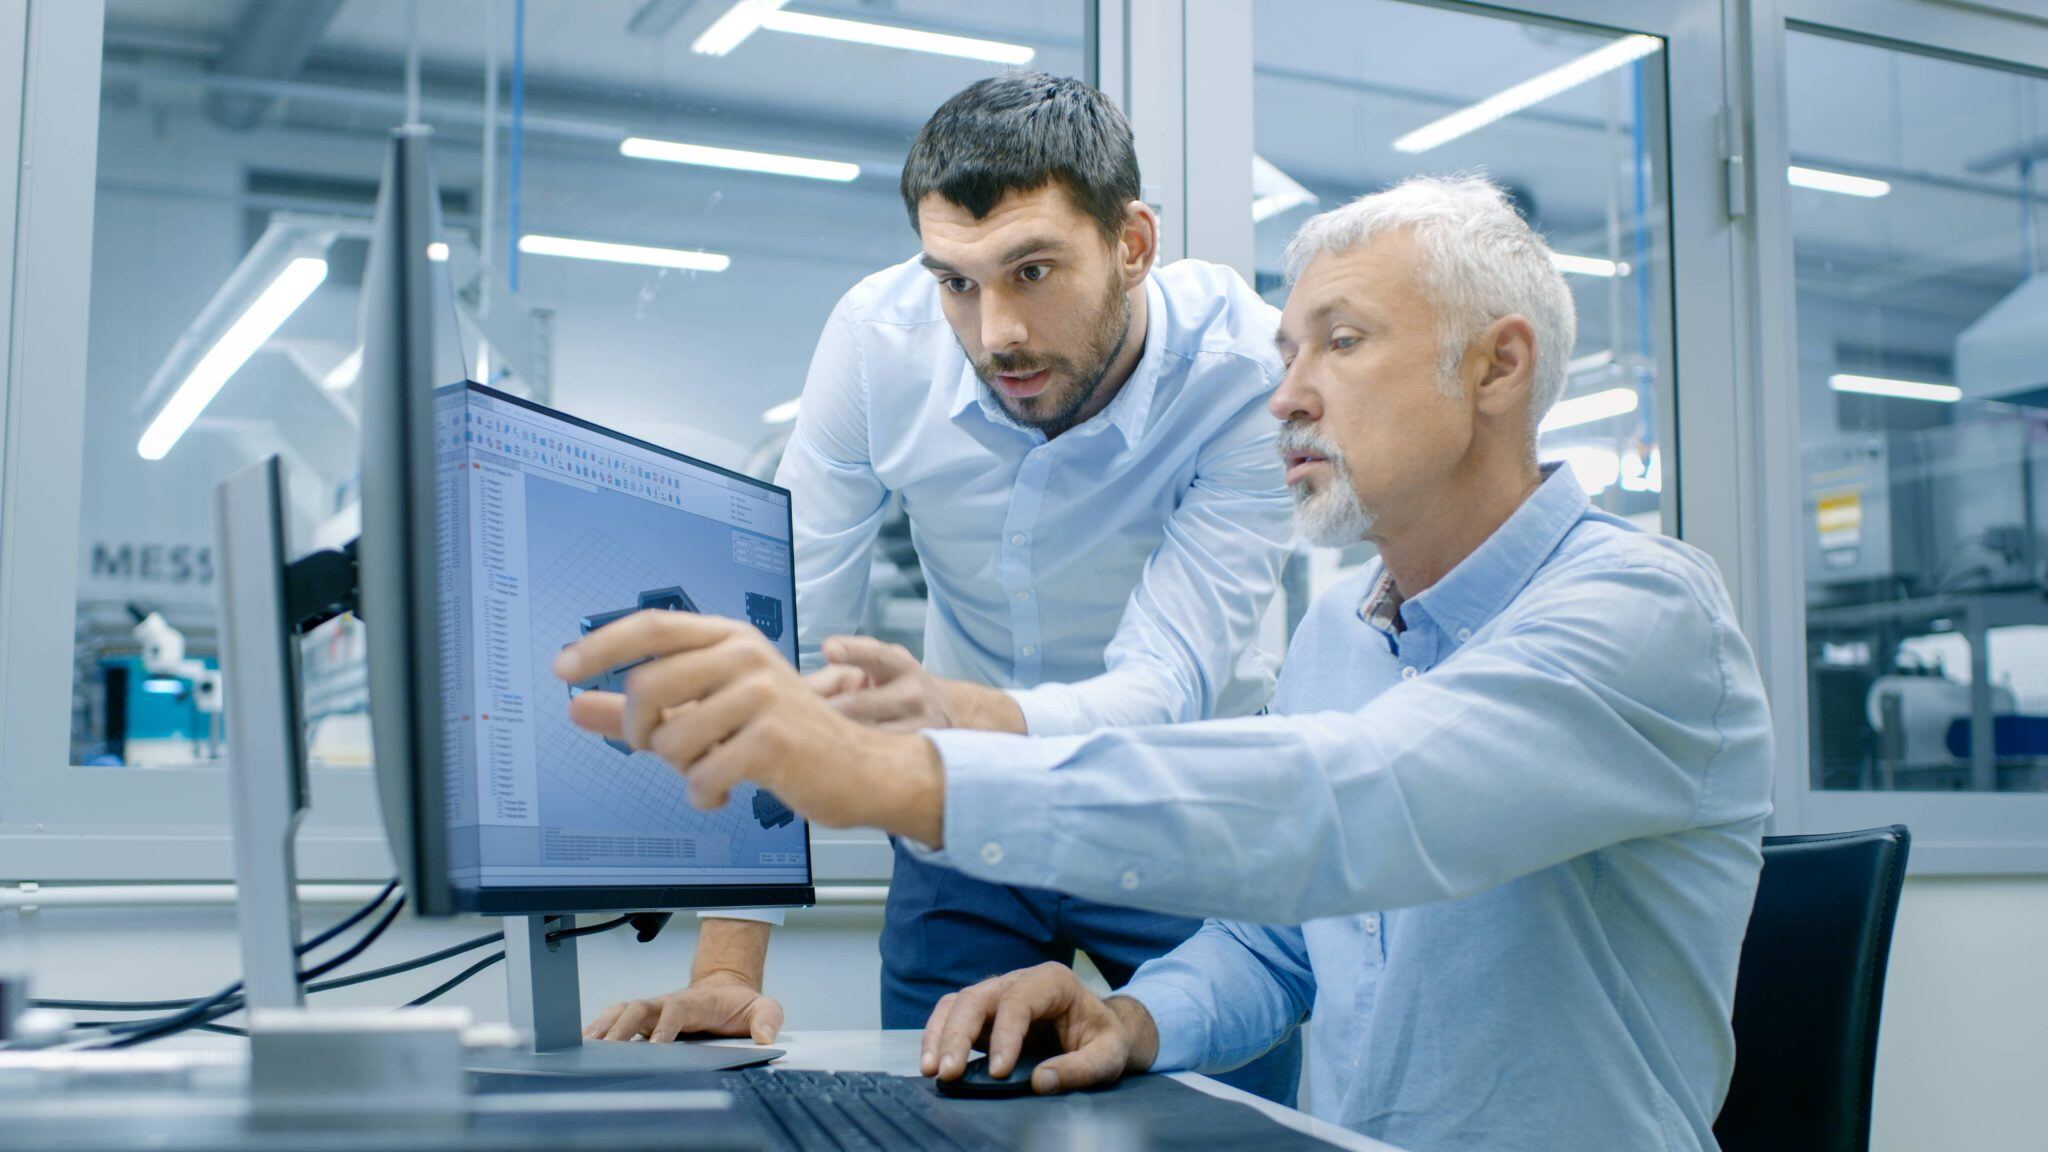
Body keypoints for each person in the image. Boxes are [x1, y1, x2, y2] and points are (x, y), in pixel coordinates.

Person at [552, 174, 1776, 1152]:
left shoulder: (1640, 613)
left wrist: (896, 771)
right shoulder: (1343, 635)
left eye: (1337, 345)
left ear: (1495, 367)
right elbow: (1279, 941)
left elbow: (1350, 804)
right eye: (1287, 350)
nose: (1282, 395)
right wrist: (1129, 1016)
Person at [580, 72, 1301, 1098]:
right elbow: (779, 653)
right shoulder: (879, 343)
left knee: (1225, 1118)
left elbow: (1162, 687)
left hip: (1178, 803)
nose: (993, 331)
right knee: (937, 1117)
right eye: (955, 282)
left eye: (1032, 271)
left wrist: (933, 713)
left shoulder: (1242, 375)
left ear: (1132, 245)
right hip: (965, 811)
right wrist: (727, 971)